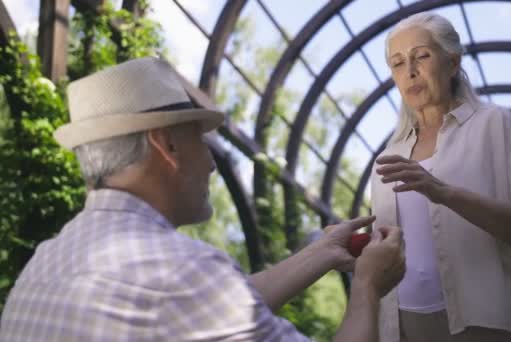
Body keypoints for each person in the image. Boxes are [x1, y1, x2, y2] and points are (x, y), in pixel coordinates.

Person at [0, 57, 405, 341]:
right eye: (200, 139)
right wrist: (367, 286)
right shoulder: (182, 272)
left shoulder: (46, 260)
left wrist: (325, 253)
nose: (211, 162)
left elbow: (214, 306)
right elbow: (194, 293)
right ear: (167, 145)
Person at [371, 12, 511, 342]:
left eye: (422, 56)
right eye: (397, 63)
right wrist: (355, 247)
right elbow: (389, 249)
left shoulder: (495, 125)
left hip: (493, 326)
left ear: (453, 62)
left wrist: (442, 192)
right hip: (406, 330)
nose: (409, 71)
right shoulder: (388, 156)